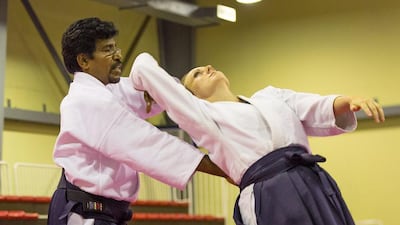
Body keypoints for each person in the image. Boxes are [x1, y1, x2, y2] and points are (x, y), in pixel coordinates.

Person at [130, 52, 385, 225]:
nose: (207, 68)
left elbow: (313, 105)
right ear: (189, 98)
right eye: (197, 74)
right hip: (268, 195)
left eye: (205, 67)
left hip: (311, 180)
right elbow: (142, 64)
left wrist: (348, 101)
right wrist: (160, 88)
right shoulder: (203, 116)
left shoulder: (270, 96)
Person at [47, 18, 228, 225]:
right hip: (85, 213)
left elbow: (154, 91)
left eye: (116, 47)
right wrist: (222, 168)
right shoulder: (85, 100)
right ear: (84, 61)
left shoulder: (111, 90)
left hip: (106, 210)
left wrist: (189, 85)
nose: (118, 55)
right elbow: (146, 143)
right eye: (107, 50)